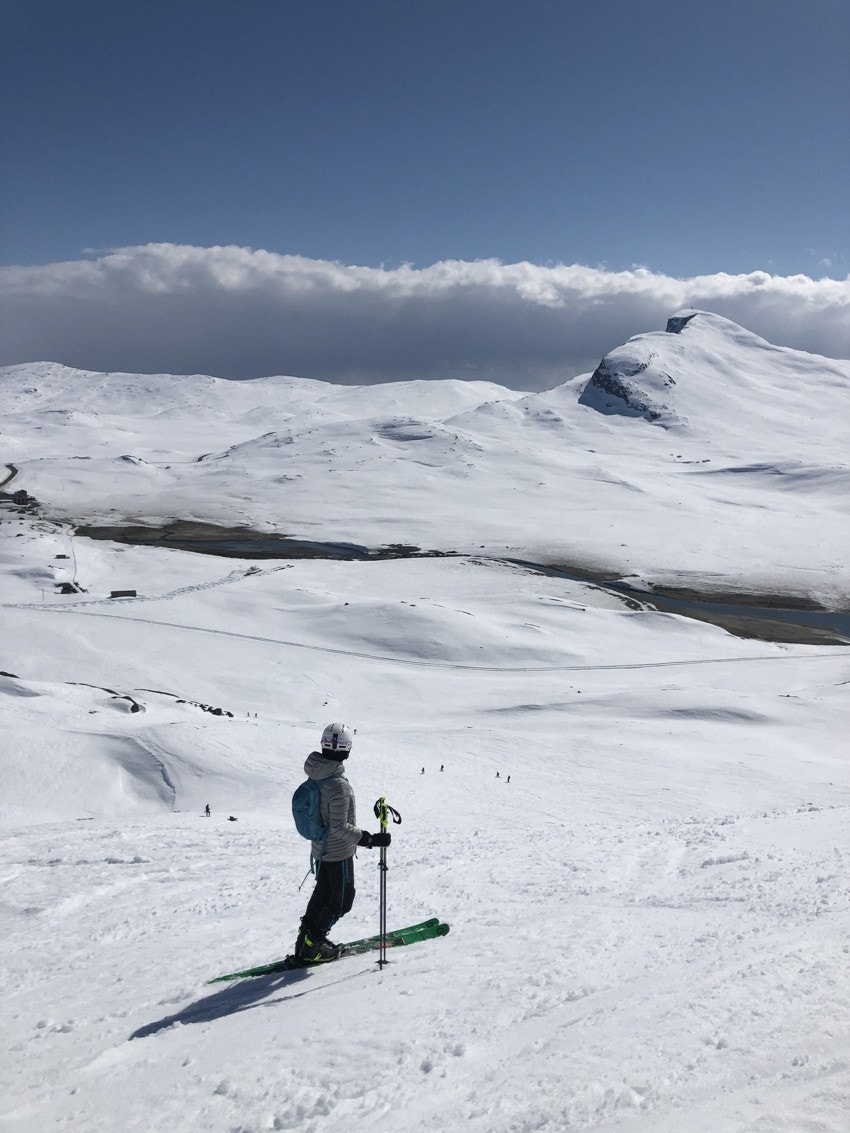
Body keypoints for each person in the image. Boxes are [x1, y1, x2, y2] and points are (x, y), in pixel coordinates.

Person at [293, 722, 391, 963]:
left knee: (323, 895)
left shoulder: (317, 773)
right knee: (341, 901)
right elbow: (339, 828)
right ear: (347, 749)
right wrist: (369, 839)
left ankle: (306, 940)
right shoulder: (338, 784)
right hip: (338, 853)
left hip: (321, 848)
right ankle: (313, 944)